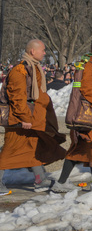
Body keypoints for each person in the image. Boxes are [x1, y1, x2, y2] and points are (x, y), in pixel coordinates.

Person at [51, 38, 92, 192]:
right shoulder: (89, 65)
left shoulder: (87, 63)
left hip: (84, 114)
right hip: (89, 114)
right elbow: (88, 90)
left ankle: (61, 183)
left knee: (79, 149)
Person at [0, 40, 66, 193]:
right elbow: (18, 97)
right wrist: (24, 118)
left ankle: (40, 180)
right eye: (42, 50)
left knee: (34, 148)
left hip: (33, 118)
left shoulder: (33, 68)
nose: (44, 53)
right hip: (20, 120)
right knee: (9, 152)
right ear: (32, 52)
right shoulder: (20, 70)